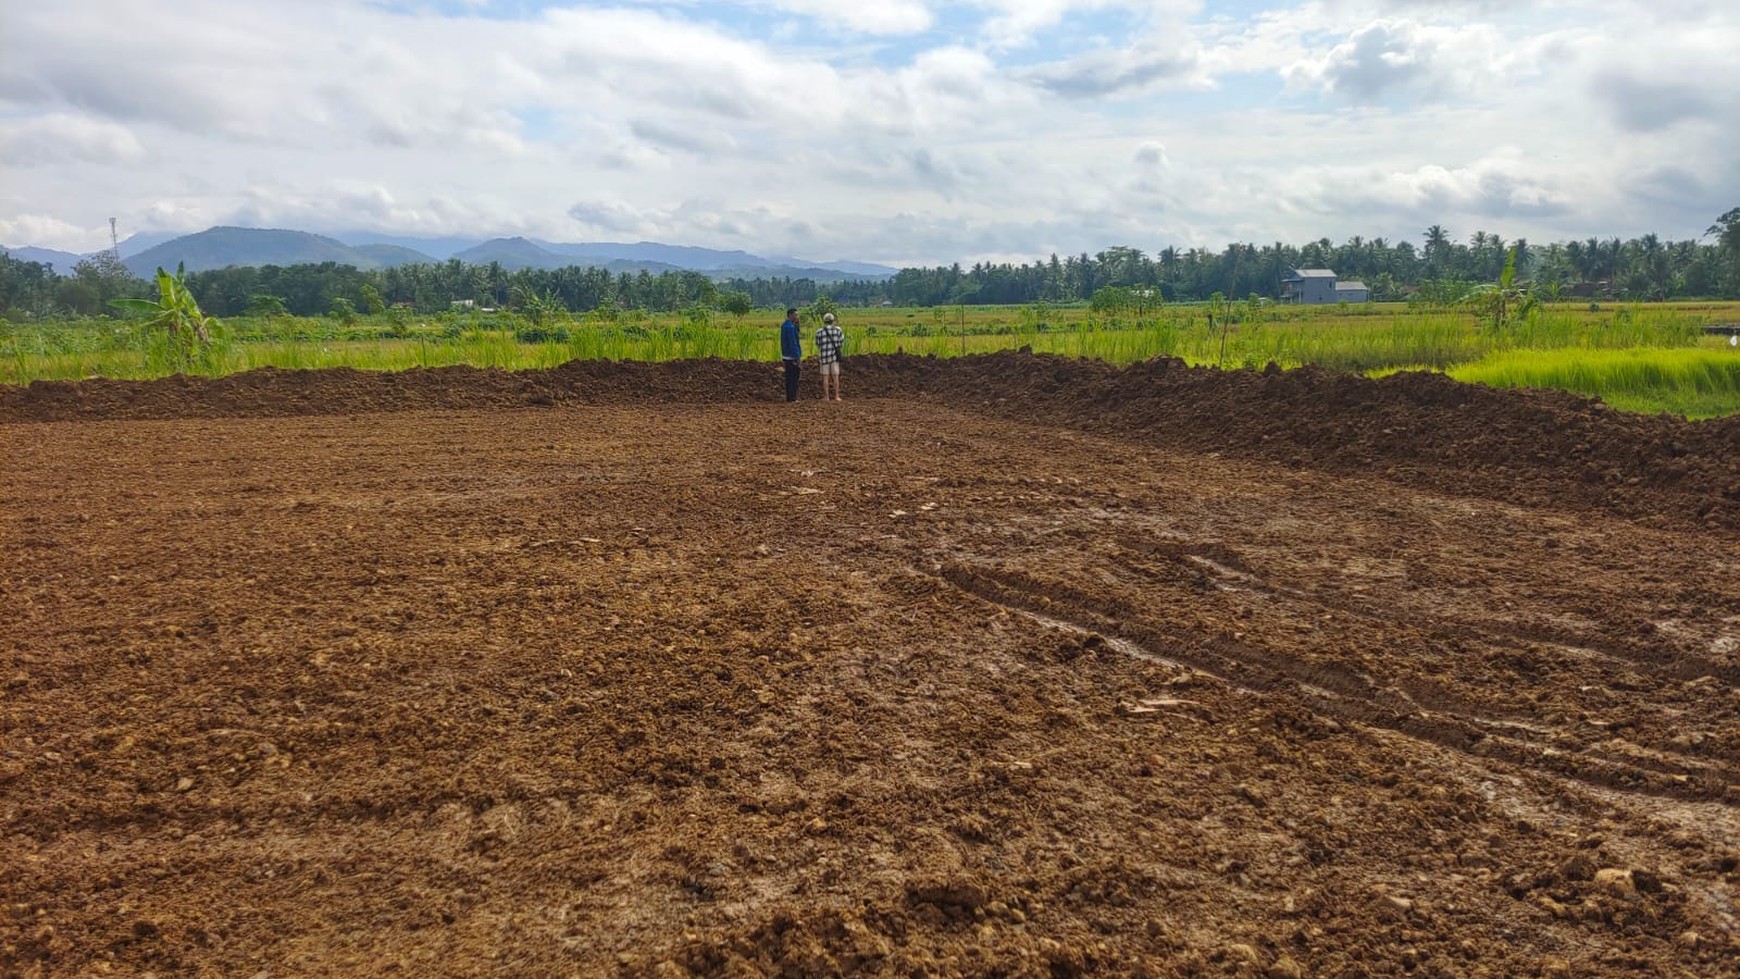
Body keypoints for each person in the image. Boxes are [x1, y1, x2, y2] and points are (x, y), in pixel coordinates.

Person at [814, 311, 844, 401]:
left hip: (824, 357)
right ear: (833, 320)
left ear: (824, 321)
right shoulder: (838, 330)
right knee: (835, 376)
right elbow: (841, 343)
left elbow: (818, 344)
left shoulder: (819, 331)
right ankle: (837, 396)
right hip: (834, 357)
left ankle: (826, 396)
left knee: (825, 377)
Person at [779, 307, 802, 402]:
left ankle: (789, 397)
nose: (797, 317)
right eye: (795, 315)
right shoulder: (791, 327)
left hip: (786, 355)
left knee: (788, 378)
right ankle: (793, 398)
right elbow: (793, 343)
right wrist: (797, 357)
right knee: (794, 378)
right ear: (790, 315)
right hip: (792, 356)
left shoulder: (784, 326)